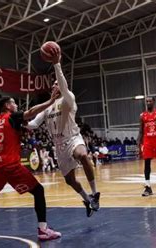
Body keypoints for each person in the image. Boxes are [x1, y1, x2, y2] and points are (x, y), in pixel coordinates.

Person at [0, 92, 61, 241]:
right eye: (14, 103)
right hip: (9, 165)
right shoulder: (12, 116)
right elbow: (31, 112)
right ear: (7, 106)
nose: (16, 105)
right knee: (38, 191)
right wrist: (51, 101)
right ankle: (43, 229)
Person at [25, 50, 100, 217]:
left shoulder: (68, 99)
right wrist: (20, 123)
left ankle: (95, 193)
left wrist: (56, 64)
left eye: (57, 84)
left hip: (73, 138)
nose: (55, 86)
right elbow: (33, 124)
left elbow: (63, 86)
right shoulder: (47, 107)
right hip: (59, 145)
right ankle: (87, 200)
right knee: (69, 180)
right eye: (53, 85)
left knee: (82, 154)